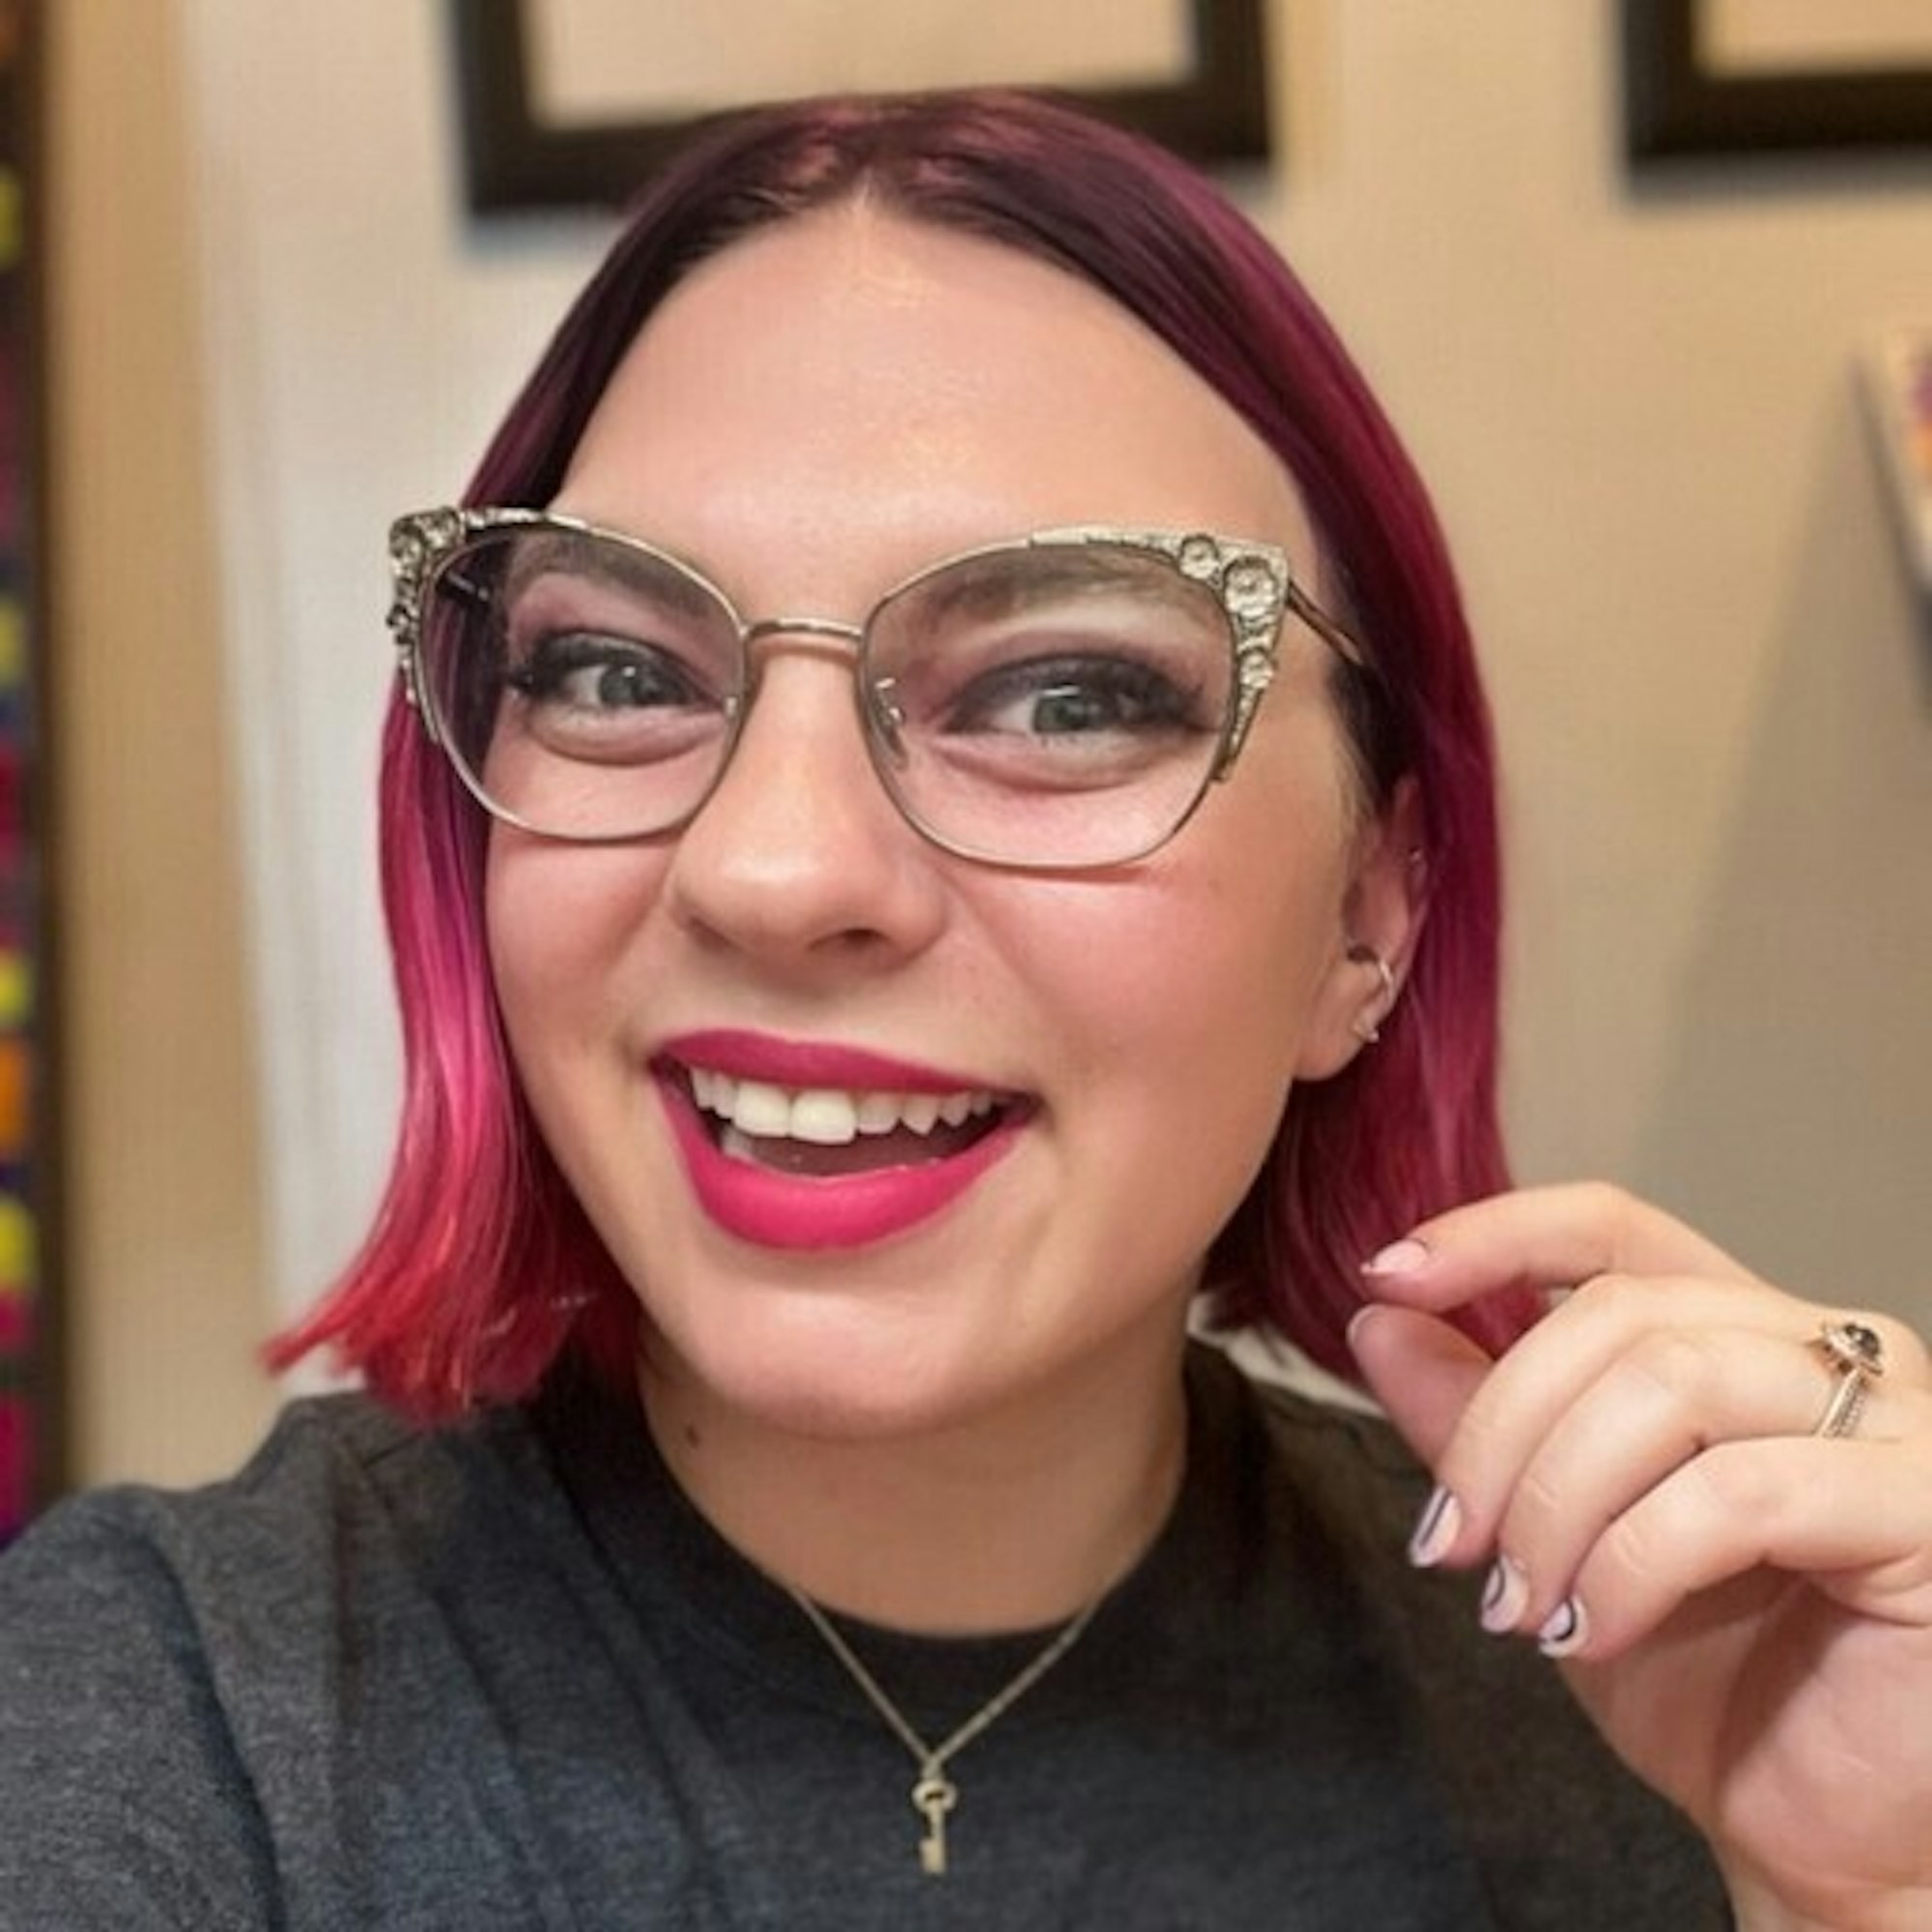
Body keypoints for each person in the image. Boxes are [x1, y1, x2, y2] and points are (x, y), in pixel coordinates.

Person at [2, 87, 1927, 1929]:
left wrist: (1863, 1900)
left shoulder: (1679, 1713)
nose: (774, 871)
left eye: (1065, 696)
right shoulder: (164, 1729)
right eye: (614, 670)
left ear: (1367, 913)